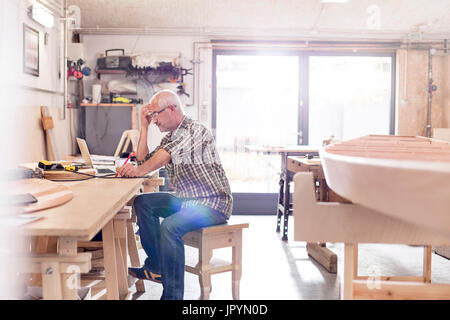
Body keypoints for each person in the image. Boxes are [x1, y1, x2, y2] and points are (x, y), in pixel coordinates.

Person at [116, 89, 232, 300]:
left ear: (172, 109)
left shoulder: (194, 130)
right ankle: (156, 266)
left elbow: (153, 162)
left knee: (169, 226)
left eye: (155, 115)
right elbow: (143, 162)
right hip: (187, 200)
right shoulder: (171, 137)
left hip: (212, 203)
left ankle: (172, 297)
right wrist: (143, 126)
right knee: (143, 203)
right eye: (151, 117)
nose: (154, 121)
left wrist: (138, 170)